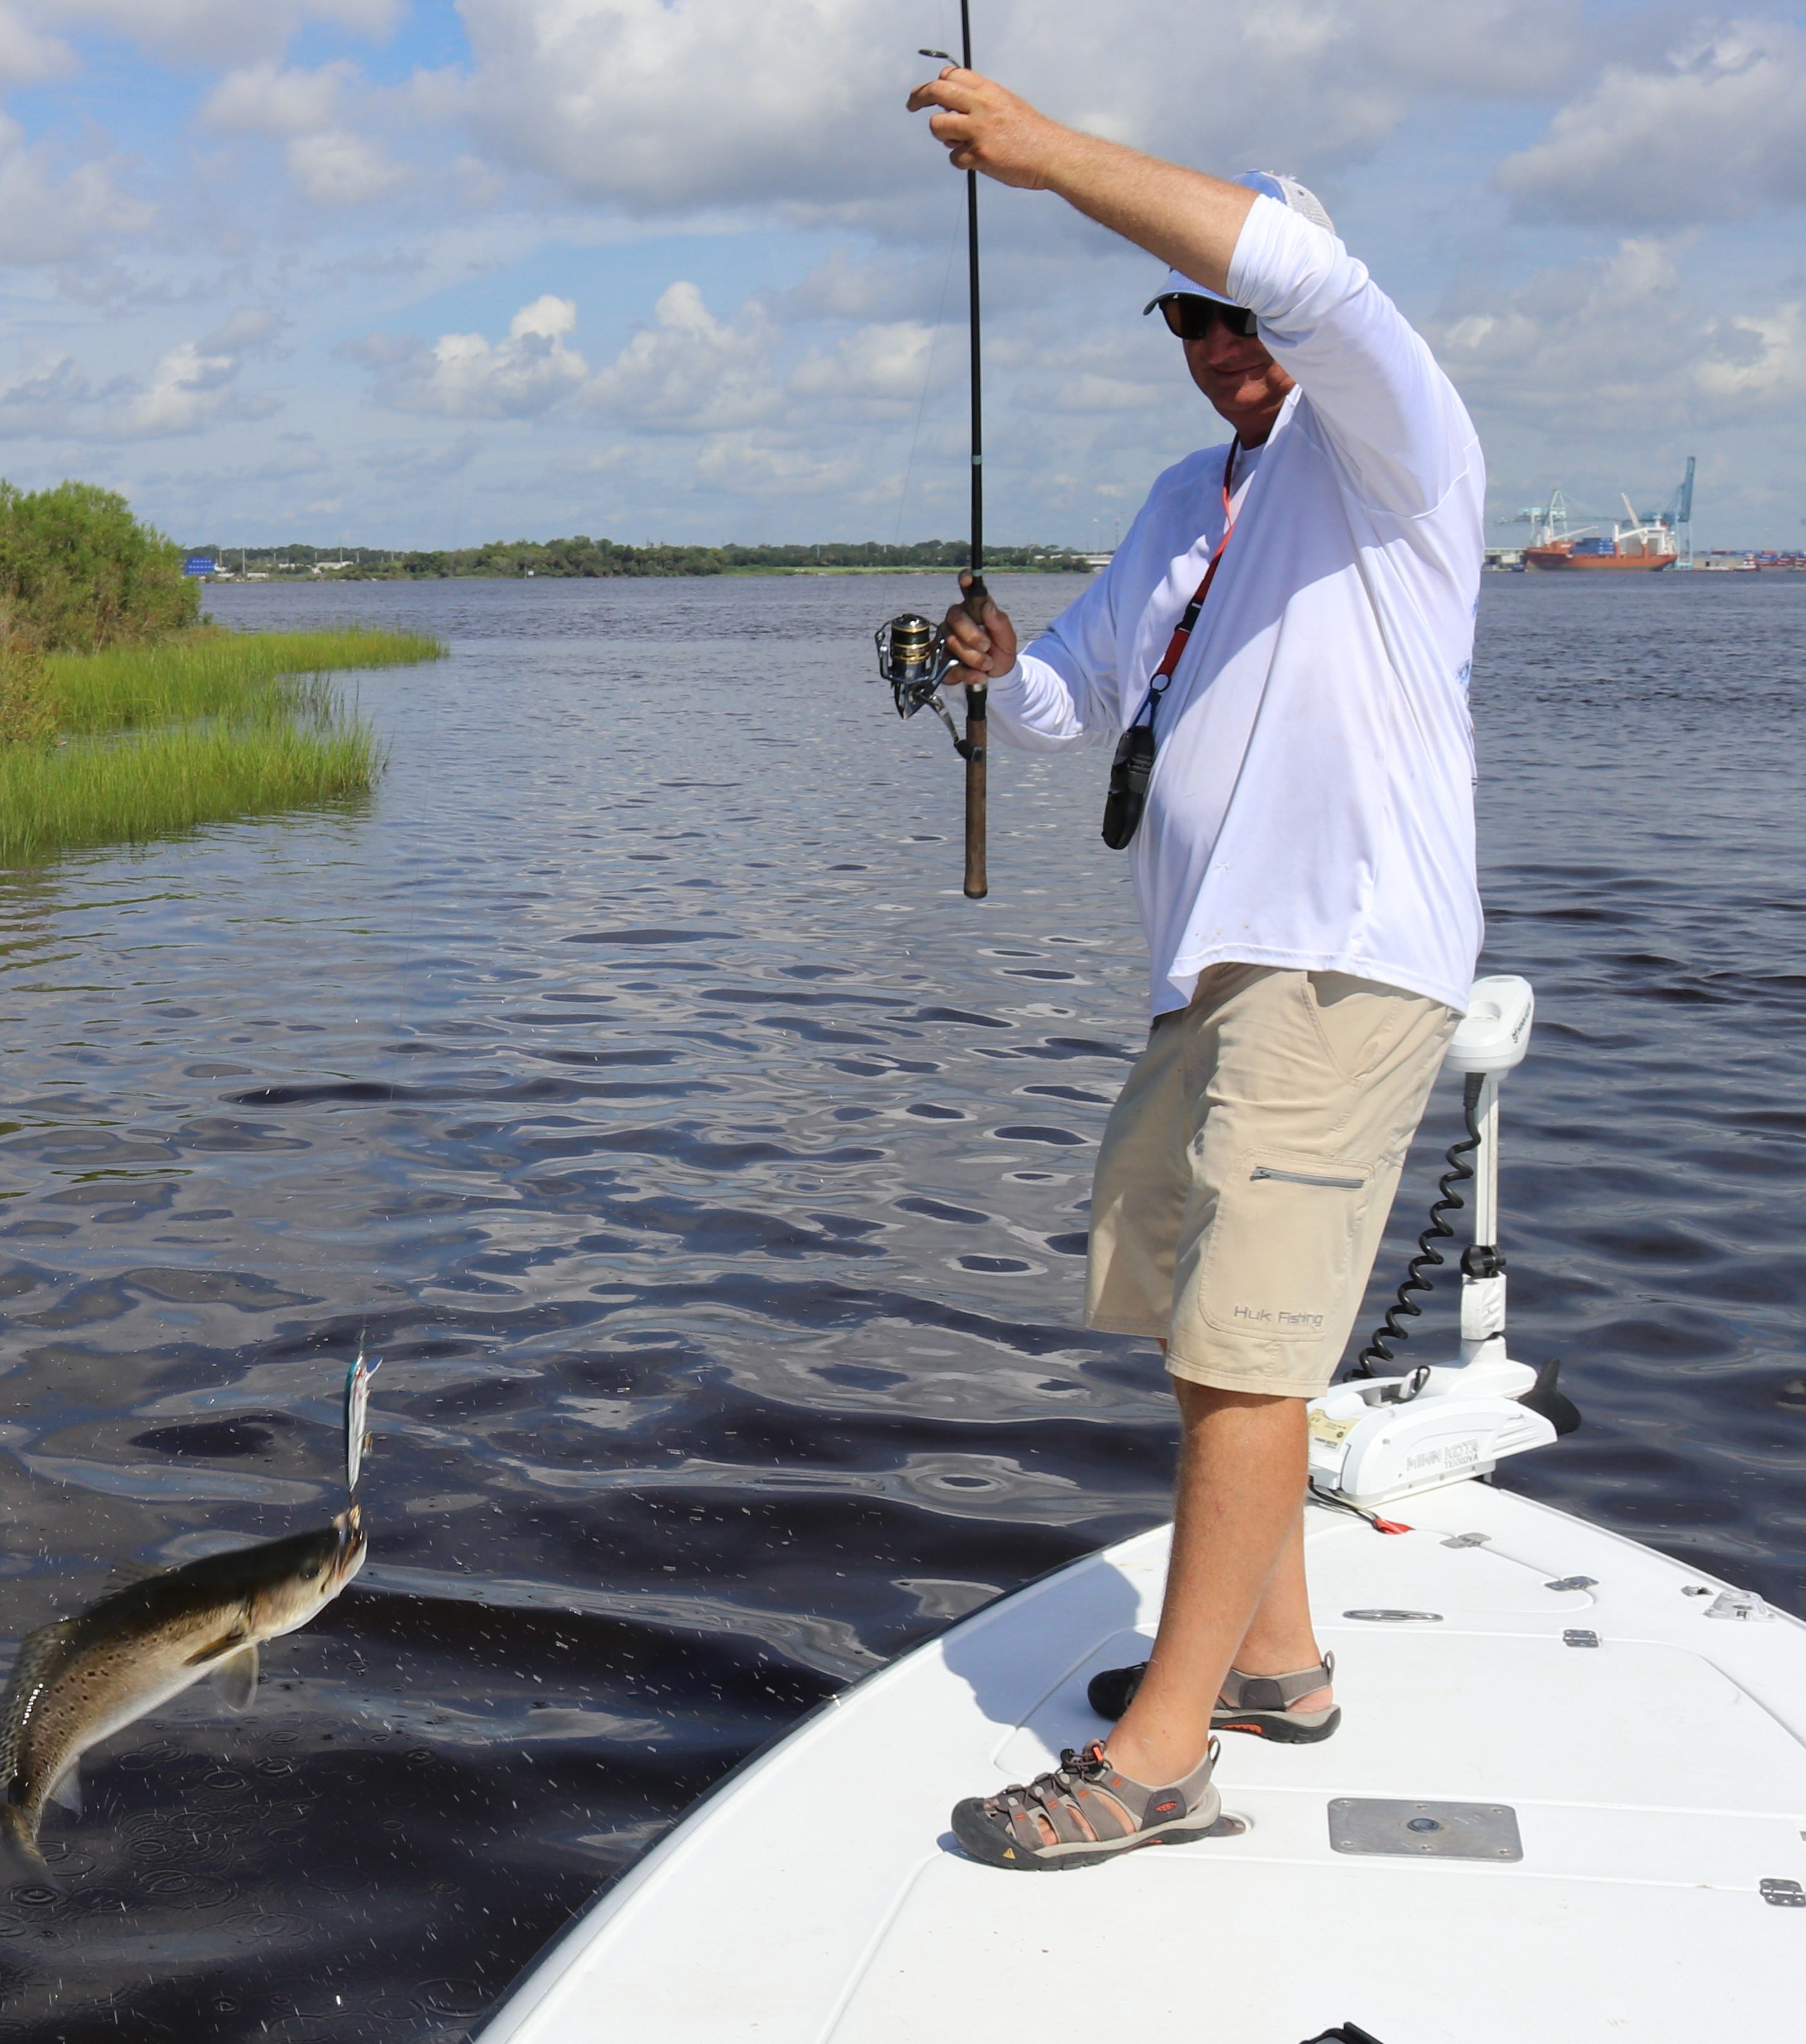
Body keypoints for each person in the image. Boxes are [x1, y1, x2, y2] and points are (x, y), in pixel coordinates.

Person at [902, 67, 1486, 1869]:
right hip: (1212, 974)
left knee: (1248, 1351)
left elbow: (1302, 278)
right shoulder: (1187, 498)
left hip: (1341, 961)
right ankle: (1279, 1662)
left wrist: (1044, 155)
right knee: (1205, 1335)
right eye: (1189, 320)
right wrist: (1000, 666)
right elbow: (1080, 693)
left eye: (1236, 310)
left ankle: (1161, 1759)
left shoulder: (1394, 437)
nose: (1222, 341)